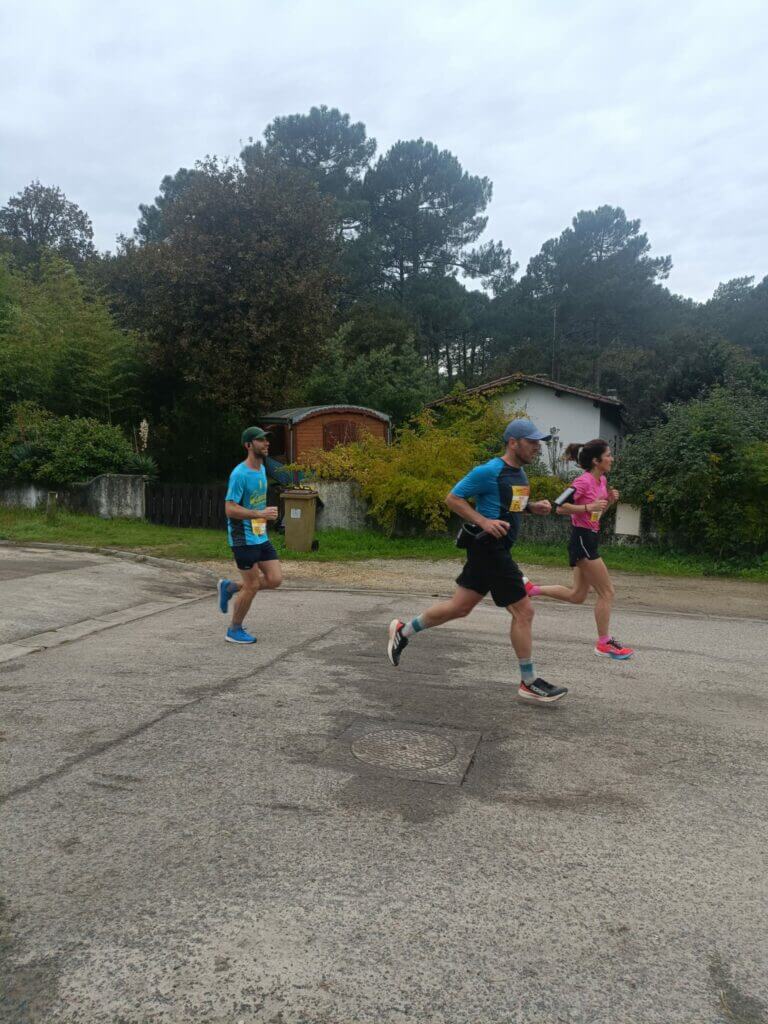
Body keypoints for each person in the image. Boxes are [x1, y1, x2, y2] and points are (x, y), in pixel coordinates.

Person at [387, 418, 569, 704]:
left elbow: (512, 507)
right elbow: (453, 498)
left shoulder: (519, 474)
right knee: (524, 611)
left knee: (459, 608)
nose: (537, 447)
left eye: (538, 442)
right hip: (490, 549)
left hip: (494, 551)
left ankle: (403, 630)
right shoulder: (488, 471)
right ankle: (529, 681)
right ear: (513, 442)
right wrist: (483, 521)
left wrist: (533, 507)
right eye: (532, 442)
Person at [526, 439, 634, 660]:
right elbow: (559, 507)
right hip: (582, 539)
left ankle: (532, 589)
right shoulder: (582, 481)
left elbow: (596, 515)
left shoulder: (602, 480)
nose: (612, 459)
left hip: (590, 537)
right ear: (596, 460)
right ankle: (603, 644)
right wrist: (587, 507)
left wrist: (609, 501)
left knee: (577, 595)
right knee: (607, 592)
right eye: (609, 455)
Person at [217, 426, 283, 644]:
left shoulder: (262, 468)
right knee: (253, 585)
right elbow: (229, 509)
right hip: (242, 538)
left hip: (259, 534)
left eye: (266, 440)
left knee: (275, 579)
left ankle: (231, 587)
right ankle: (234, 630)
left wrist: (263, 517)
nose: (266, 443)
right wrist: (259, 513)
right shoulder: (239, 474)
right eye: (260, 440)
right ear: (248, 445)